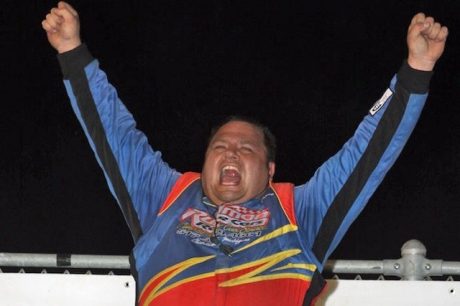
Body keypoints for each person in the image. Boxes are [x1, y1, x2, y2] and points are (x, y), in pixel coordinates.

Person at [42, 2, 448, 305]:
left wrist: (415, 70)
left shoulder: (299, 212)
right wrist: (72, 51)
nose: (229, 153)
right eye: (219, 147)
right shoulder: (162, 197)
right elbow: (113, 133)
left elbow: (367, 153)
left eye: (245, 148)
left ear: (270, 170)